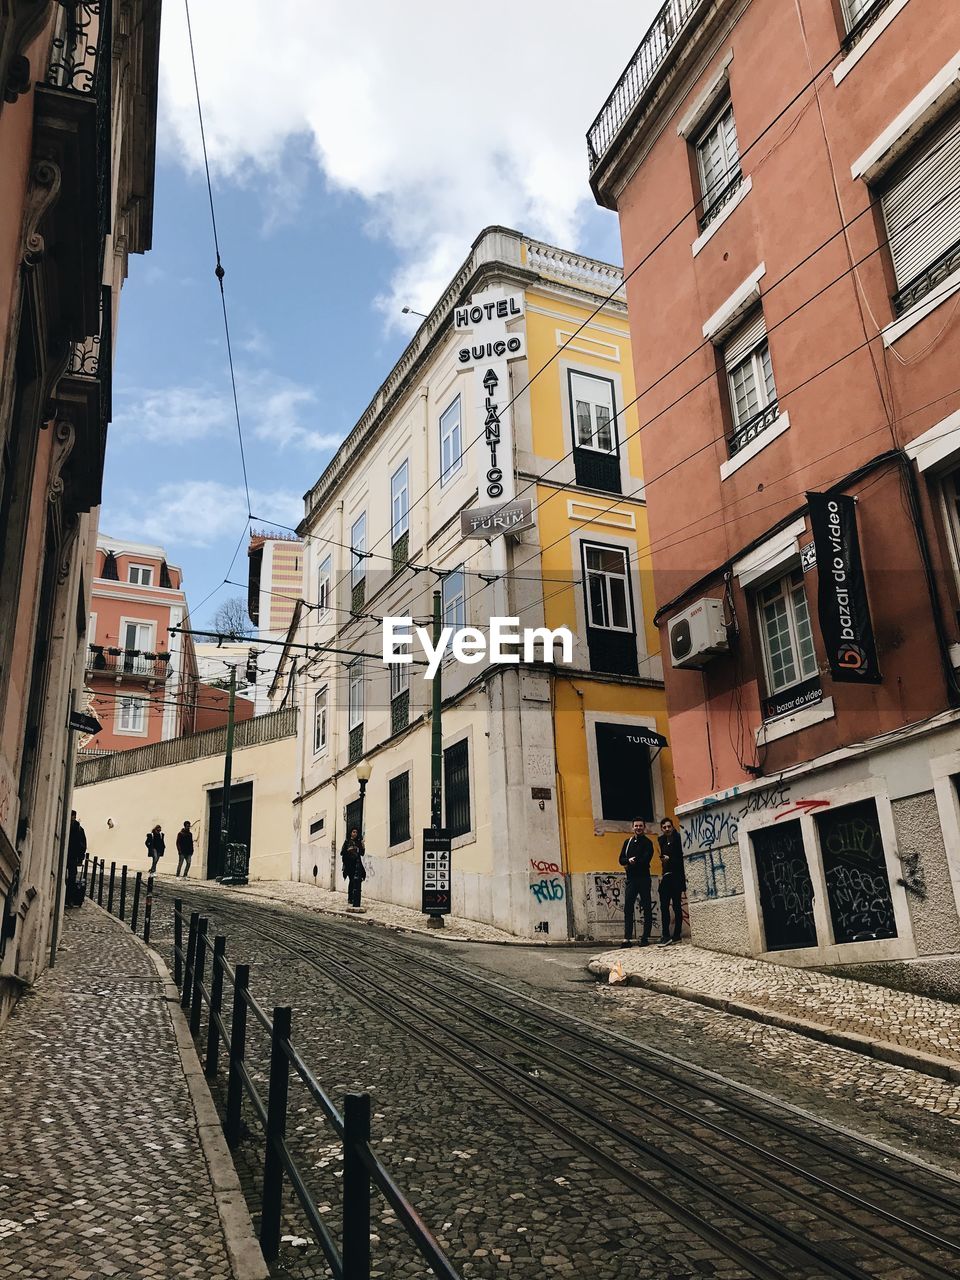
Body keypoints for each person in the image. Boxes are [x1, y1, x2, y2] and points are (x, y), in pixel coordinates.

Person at [619, 818, 654, 947]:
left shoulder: (648, 843)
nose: (638, 828)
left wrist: (632, 863)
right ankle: (627, 938)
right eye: (636, 826)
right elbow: (621, 859)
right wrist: (628, 861)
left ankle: (645, 937)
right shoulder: (627, 842)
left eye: (640, 826)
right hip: (631, 880)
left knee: (646, 907)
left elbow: (646, 860)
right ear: (632, 827)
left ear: (644, 827)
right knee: (628, 907)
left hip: (644, 879)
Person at [657, 817, 686, 945]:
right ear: (662, 829)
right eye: (664, 827)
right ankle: (665, 934)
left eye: (669, 827)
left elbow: (681, 859)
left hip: (676, 876)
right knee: (664, 906)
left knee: (676, 906)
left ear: (672, 827)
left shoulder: (678, 839)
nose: (667, 829)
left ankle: (677, 934)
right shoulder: (662, 840)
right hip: (666, 876)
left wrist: (670, 859)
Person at [340, 826, 366, 909]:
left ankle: (355, 897)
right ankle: (350, 898)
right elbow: (342, 852)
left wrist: (362, 846)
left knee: (357, 880)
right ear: (350, 833)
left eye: (356, 832)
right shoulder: (347, 842)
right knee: (351, 880)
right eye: (353, 832)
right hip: (349, 864)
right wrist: (349, 851)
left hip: (357, 864)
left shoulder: (359, 842)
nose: (355, 834)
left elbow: (362, 853)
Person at [66, 810, 87, 905]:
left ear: (74, 817)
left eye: (71, 816)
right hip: (65, 856)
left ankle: (70, 898)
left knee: (71, 878)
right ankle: (66, 897)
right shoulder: (65, 826)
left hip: (72, 857)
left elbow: (82, 845)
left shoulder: (79, 829)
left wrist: (80, 859)